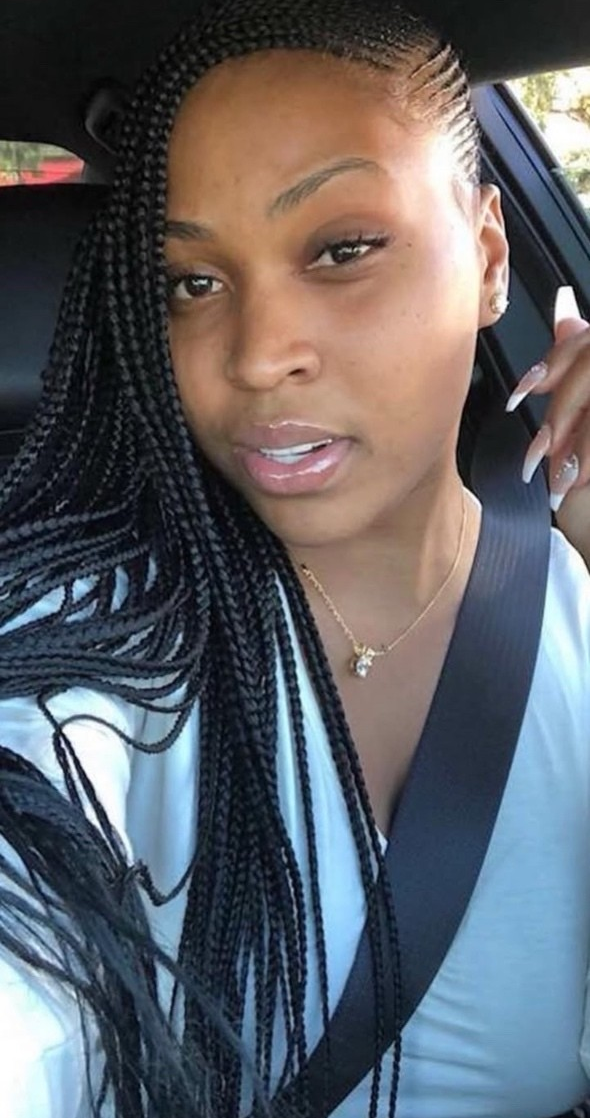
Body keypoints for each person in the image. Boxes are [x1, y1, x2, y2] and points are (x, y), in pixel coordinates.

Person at [1, 1, 590, 1115]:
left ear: (487, 257)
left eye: (341, 250)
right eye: (193, 282)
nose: (258, 355)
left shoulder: (573, 607)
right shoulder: (101, 639)